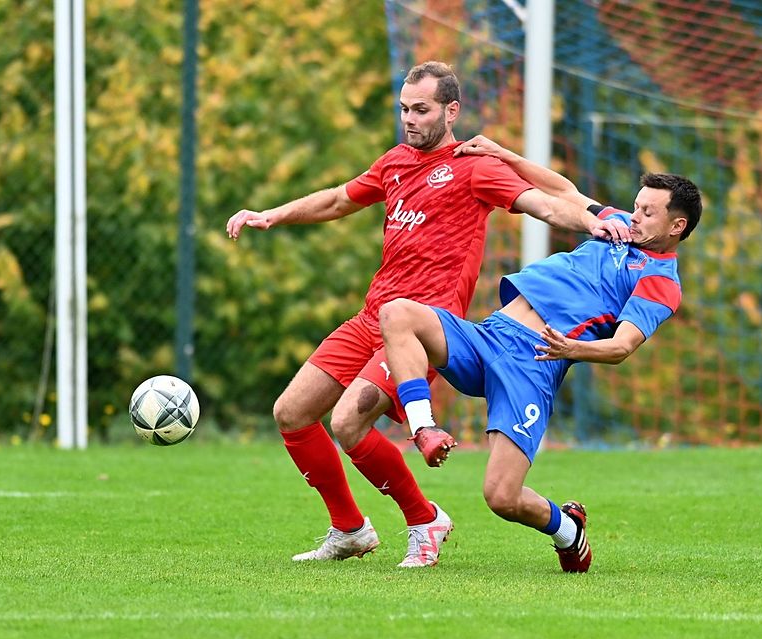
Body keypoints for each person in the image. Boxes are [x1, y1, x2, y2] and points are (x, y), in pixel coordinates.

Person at [225, 62, 627, 568]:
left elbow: (543, 205)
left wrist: (592, 223)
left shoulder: (475, 168)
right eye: (404, 109)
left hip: (421, 328)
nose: (409, 120)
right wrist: (272, 214)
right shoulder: (395, 161)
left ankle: (424, 520)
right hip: (372, 315)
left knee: (347, 421)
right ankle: (349, 529)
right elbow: (338, 199)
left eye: (421, 110)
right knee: (291, 413)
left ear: (451, 111)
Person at [379, 134, 702, 572]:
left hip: (533, 365)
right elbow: (563, 189)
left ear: (676, 226)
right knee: (398, 312)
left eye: (648, 212)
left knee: (501, 496)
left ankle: (568, 530)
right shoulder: (616, 225)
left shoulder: (660, 281)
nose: (635, 216)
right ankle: (423, 428)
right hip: (491, 335)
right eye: (636, 206)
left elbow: (623, 346)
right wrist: (503, 154)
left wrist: (573, 349)